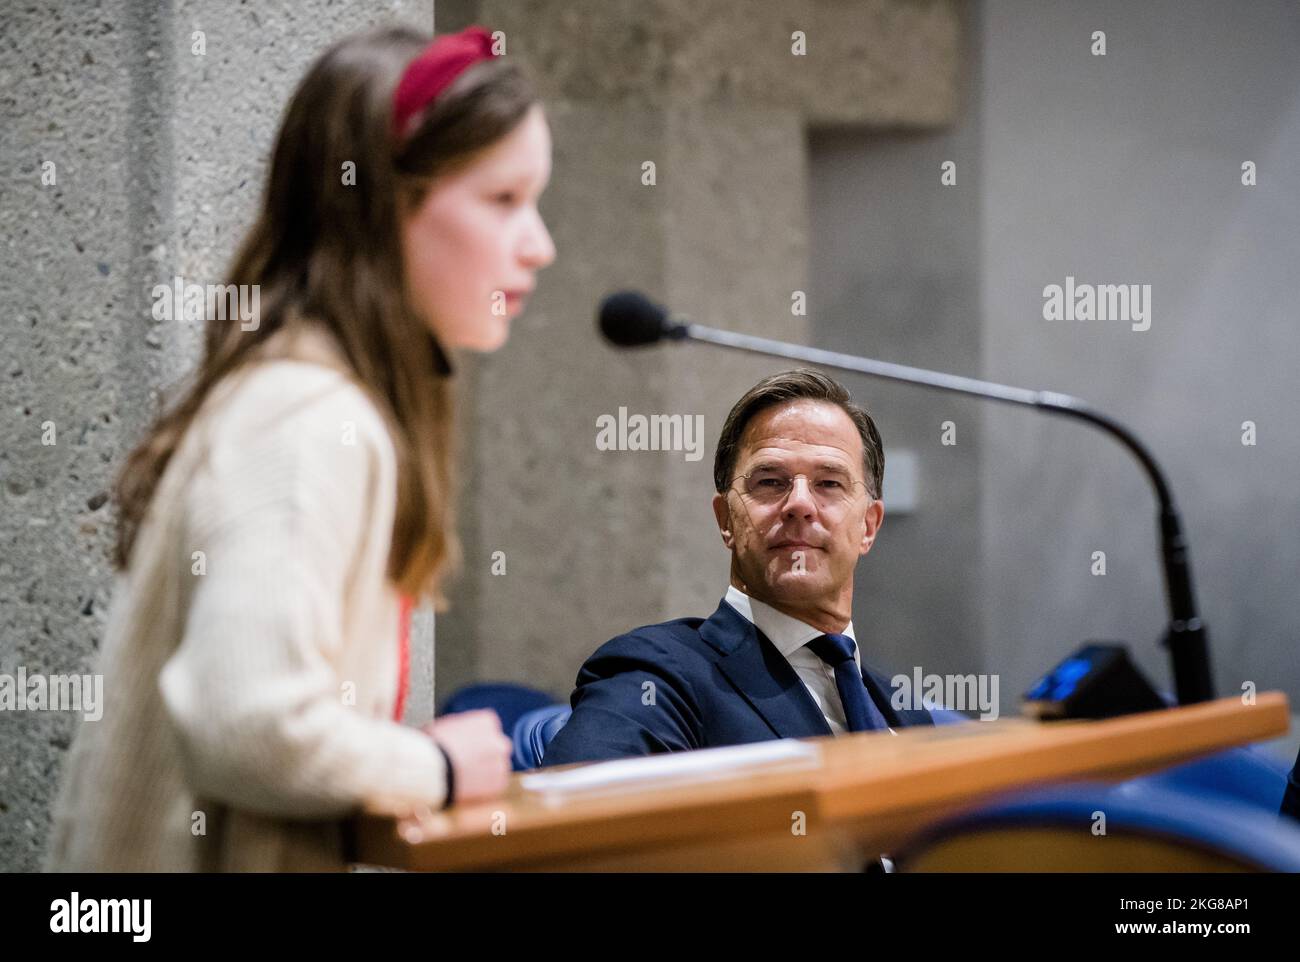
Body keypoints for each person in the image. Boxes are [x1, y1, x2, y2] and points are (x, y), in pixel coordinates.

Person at [46, 24, 556, 871]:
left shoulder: (318, 401)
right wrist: (431, 765)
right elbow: (248, 720)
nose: (539, 245)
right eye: (502, 200)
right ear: (384, 205)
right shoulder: (305, 417)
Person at [541, 369, 935, 766]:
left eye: (829, 483)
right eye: (769, 481)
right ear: (726, 519)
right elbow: (570, 818)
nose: (799, 503)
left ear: (868, 525)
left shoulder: (904, 711)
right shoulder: (657, 673)